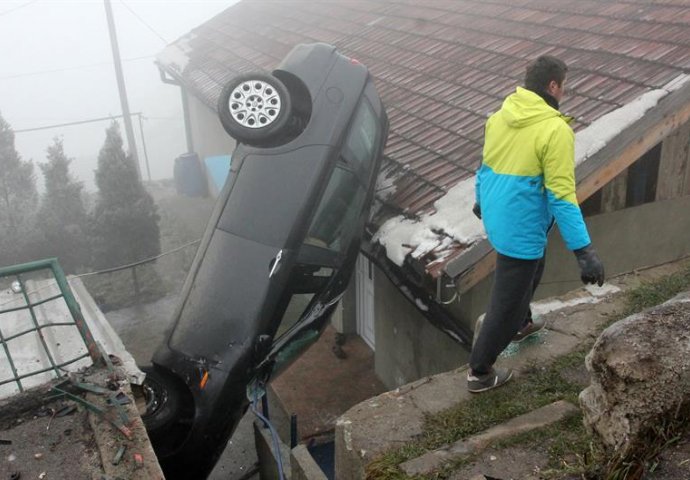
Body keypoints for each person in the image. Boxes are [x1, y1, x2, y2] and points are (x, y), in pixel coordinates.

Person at [468, 55, 605, 393]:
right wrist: (584, 251)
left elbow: (485, 167)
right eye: (564, 87)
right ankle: (479, 371)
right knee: (506, 301)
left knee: (535, 264)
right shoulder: (555, 129)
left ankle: (523, 322)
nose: (565, 93)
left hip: (501, 214)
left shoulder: (500, 117)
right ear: (553, 86)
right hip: (521, 223)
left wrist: (481, 200)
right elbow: (561, 195)